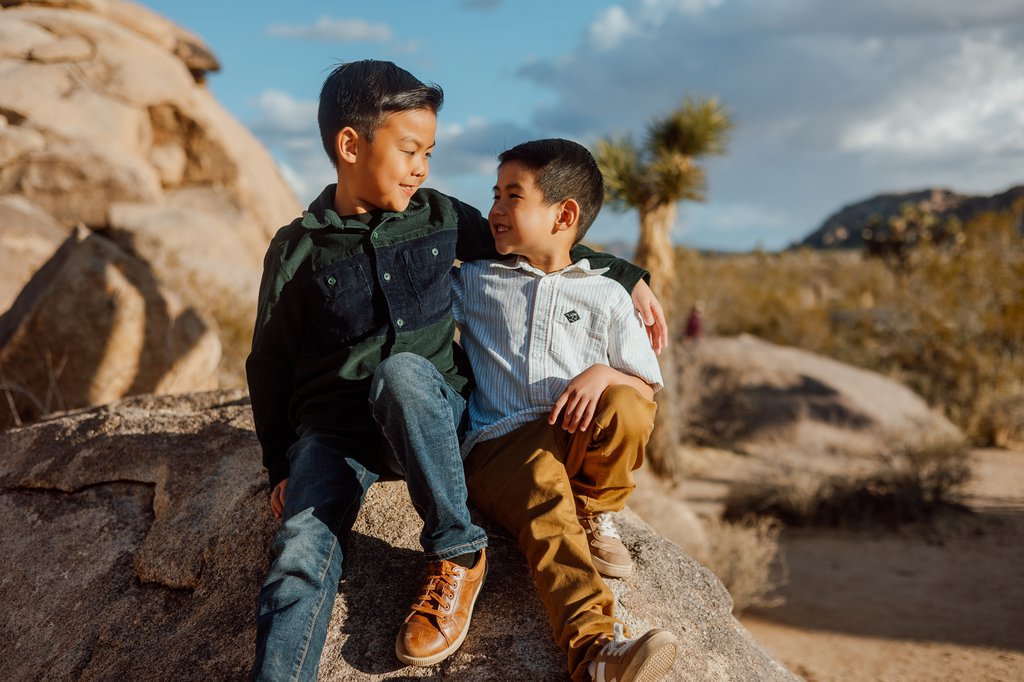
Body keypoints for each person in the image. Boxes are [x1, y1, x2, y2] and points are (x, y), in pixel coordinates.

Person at [245, 60, 666, 680]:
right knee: (297, 558)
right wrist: (280, 462)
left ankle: (459, 552)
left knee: (404, 373)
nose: (422, 167)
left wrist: (626, 277)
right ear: (350, 145)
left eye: (429, 153)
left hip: (433, 413)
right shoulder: (298, 246)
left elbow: (538, 246)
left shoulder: (442, 217)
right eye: (410, 150)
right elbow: (271, 360)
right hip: (335, 433)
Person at [452, 138, 678, 682]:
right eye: (495, 195)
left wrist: (605, 373)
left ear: (565, 215)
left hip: (573, 440)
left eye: (513, 196)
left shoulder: (606, 295)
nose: (495, 211)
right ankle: (596, 652)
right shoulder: (476, 280)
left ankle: (594, 507)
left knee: (624, 403)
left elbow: (646, 389)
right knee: (544, 500)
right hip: (502, 445)